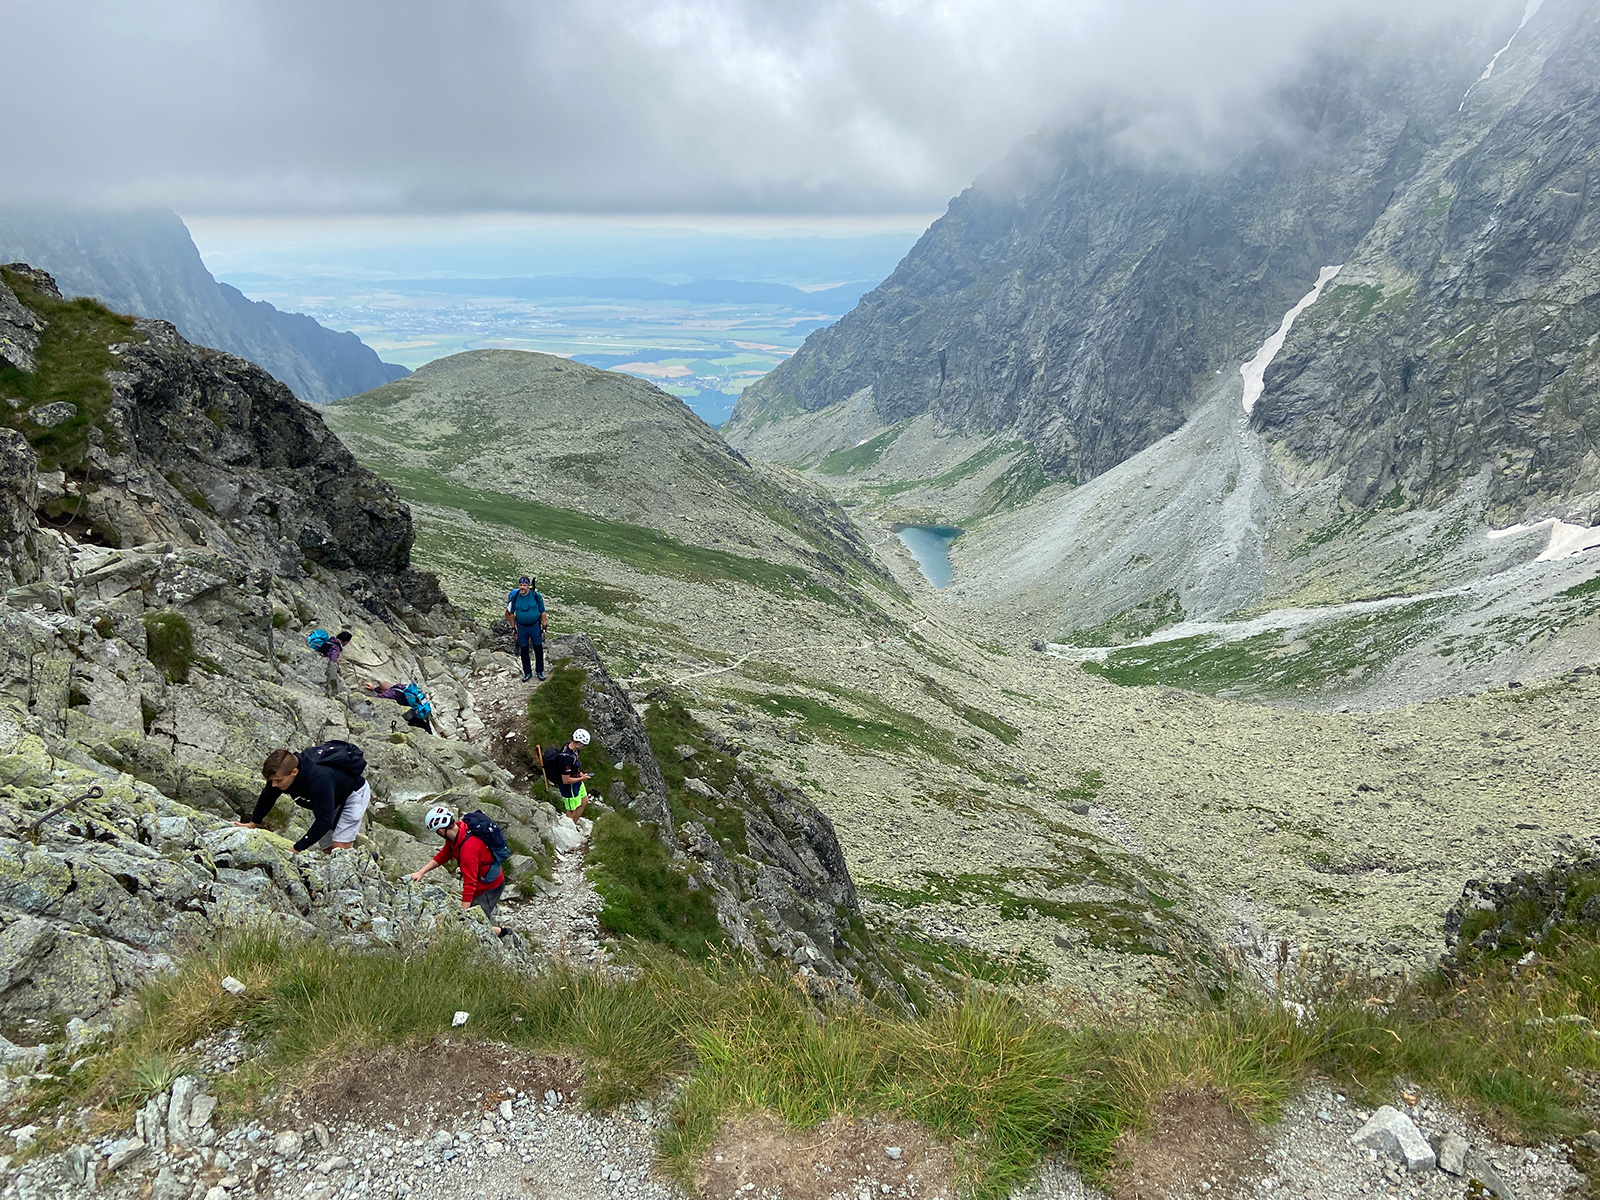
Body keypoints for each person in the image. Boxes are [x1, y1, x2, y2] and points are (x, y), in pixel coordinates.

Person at [235, 742, 370, 854]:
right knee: (328, 848)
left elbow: (324, 821)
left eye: (278, 781)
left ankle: (362, 864)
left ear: (294, 772)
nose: (274, 785)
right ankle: (362, 857)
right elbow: (268, 796)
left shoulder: (318, 780)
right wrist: (253, 823)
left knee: (339, 848)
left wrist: (296, 849)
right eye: (272, 781)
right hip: (330, 797)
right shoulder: (280, 775)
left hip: (353, 794)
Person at [409, 806, 508, 936]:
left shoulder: (469, 849)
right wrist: (421, 872)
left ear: (441, 830)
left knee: (475, 922)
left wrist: (463, 914)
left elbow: (470, 883)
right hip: (483, 881)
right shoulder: (459, 831)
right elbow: (444, 854)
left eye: (437, 832)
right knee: (472, 917)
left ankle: (502, 933)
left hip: (489, 887)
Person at [505, 576, 547, 682]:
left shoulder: (536, 596)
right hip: (522, 627)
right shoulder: (515, 597)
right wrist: (513, 627)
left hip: (534, 626)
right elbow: (510, 612)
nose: (522, 587)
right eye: (520, 585)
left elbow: (542, 611)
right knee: (524, 649)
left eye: (524, 585)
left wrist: (544, 626)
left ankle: (539, 671)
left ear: (528, 586)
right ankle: (527, 672)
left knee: (538, 648)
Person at [548, 727, 593, 822]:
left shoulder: (572, 748)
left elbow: (574, 765)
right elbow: (566, 780)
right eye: (584, 745)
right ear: (579, 743)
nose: (585, 747)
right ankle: (570, 827)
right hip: (569, 787)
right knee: (571, 810)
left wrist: (580, 774)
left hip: (576, 779)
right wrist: (582, 778)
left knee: (584, 801)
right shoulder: (566, 758)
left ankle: (574, 824)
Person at [364, 680, 433, 734]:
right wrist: (374, 688)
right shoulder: (401, 687)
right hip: (422, 713)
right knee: (427, 730)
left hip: (413, 717)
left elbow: (377, 698)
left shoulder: (391, 693)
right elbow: (385, 689)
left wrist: (363, 696)